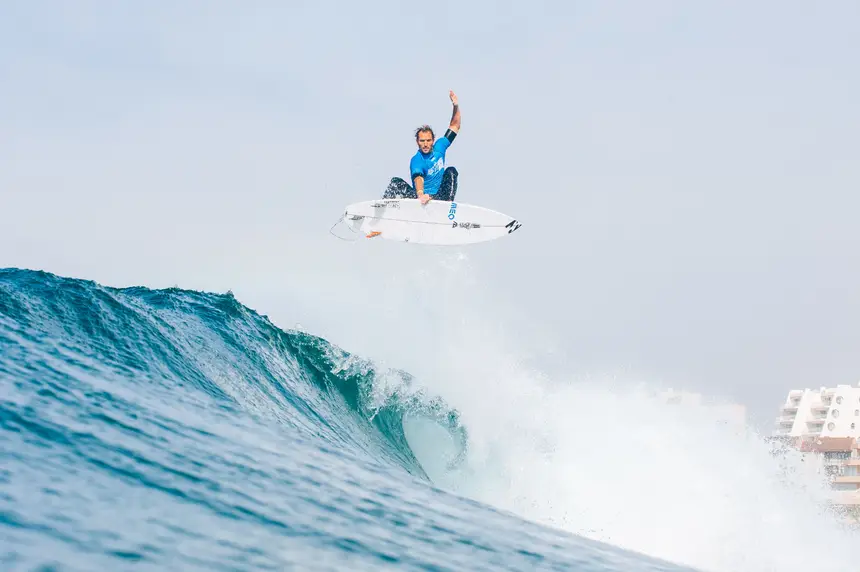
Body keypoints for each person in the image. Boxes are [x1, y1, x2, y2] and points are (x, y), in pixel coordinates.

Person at [383, 90, 461, 204]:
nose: (425, 144)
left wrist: (456, 106)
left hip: (439, 197)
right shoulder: (417, 160)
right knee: (396, 182)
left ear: (433, 140)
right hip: (420, 199)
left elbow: (455, 125)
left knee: (451, 171)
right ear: (417, 142)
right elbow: (418, 178)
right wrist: (420, 195)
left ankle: (448, 205)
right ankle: (383, 210)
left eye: (428, 140)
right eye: (422, 141)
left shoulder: (440, 147)